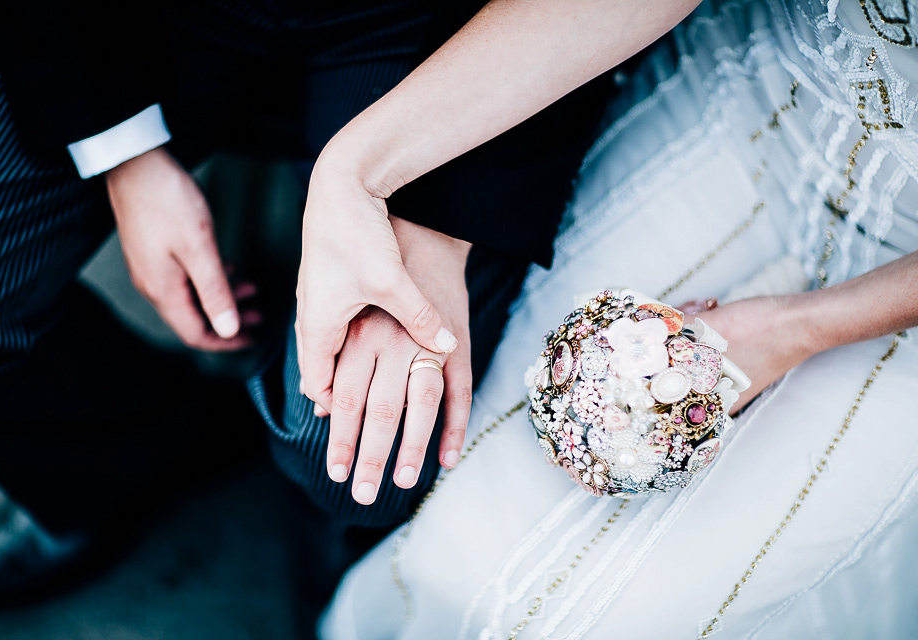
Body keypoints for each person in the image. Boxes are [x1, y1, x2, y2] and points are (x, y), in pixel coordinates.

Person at [0, 0, 611, 607]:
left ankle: (320, 502)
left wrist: (439, 215)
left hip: (446, 34)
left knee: (355, 452)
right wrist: (123, 152)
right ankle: (123, 458)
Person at [318, 0, 918, 637]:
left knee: (622, 614)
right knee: (463, 512)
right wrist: (358, 170)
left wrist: (800, 328)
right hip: (747, 101)